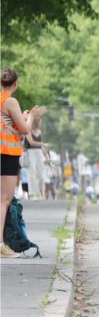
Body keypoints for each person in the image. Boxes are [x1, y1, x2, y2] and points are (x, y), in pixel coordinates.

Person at [1, 68, 43, 257]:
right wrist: (31, 116)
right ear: (15, 84)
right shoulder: (10, 101)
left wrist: (22, 117)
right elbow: (25, 130)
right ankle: (1, 245)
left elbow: (11, 127)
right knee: (5, 200)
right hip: (7, 154)